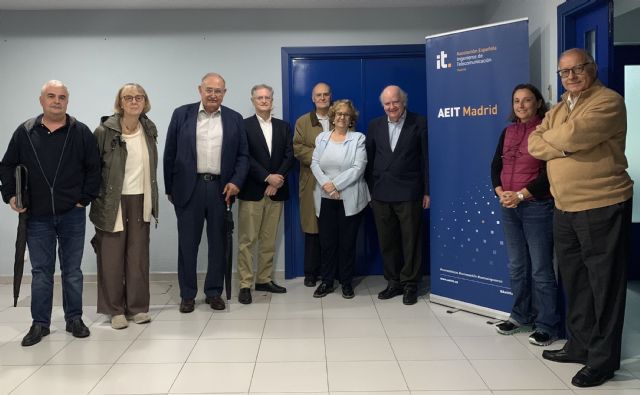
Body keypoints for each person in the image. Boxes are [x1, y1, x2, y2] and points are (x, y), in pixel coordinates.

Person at [529, 48, 632, 388]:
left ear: (593, 67)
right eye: (564, 72)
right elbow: (534, 143)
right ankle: (579, 345)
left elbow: (572, 137)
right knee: (575, 281)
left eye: (578, 69)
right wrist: (560, 142)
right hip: (565, 207)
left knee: (605, 286)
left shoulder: (608, 102)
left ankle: (602, 361)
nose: (570, 77)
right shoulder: (559, 108)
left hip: (601, 204)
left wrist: (558, 142)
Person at [0, 80, 101, 346]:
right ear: (41, 100)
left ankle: (74, 319)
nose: (57, 101)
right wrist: (10, 195)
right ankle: (40, 324)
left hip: (72, 214)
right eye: (51, 96)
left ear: (68, 101)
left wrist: (84, 199)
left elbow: (94, 169)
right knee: (42, 271)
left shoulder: (80, 132)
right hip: (37, 216)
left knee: (72, 271)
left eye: (62, 97)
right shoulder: (25, 132)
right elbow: (7, 165)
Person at [163, 72, 249, 312]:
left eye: (218, 91)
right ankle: (187, 294)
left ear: (224, 93)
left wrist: (236, 182)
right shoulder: (182, 114)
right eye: (209, 90)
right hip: (188, 189)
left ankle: (214, 292)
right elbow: (169, 153)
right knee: (187, 245)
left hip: (222, 190)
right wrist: (170, 188)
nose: (213, 95)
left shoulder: (234, 118)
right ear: (200, 90)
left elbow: (243, 155)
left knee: (218, 244)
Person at [490, 83, 561, 346]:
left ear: (538, 103)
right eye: (516, 101)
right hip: (509, 206)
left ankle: (547, 325)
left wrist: (521, 194)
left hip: (537, 207)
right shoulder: (508, 131)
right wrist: (500, 191)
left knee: (541, 269)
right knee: (517, 266)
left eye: (527, 100)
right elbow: (496, 164)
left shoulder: (546, 132)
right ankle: (520, 316)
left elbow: (549, 173)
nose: (521, 105)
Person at [89, 83, 158, 329]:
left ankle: (138, 308)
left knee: (138, 257)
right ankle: (115, 310)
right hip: (111, 201)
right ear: (120, 102)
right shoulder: (104, 131)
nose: (134, 101)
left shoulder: (149, 129)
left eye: (139, 97)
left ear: (145, 101)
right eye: (128, 97)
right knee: (111, 257)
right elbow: (93, 168)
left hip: (141, 199)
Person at [365, 85, 429, 305]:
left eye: (395, 102)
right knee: (387, 241)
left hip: (410, 192)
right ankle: (394, 282)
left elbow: (426, 160)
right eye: (387, 103)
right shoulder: (374, 125)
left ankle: (410, 284)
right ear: (383, 105)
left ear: (404, 102)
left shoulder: (419, 123)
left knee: (411, 241)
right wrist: (371, 191)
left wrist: (427, 191)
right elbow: (369, 160)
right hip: (381, 194)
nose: (391, 107)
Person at [237, 84, 294, 304]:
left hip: (276, 191)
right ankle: (245, 284)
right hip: (253, 190)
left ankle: (263, 279)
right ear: (252, 100)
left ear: (272, 100)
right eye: (259, 97)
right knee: (247, 240)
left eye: (267, 97)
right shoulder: (243, 126)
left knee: (269, 240)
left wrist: (277, 179)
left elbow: (290, 155)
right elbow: (244, 156)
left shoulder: (283, 126)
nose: (263, 101)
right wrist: (266, 178)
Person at [310, 99, 369, 298]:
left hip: (349, 198)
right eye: (339, 114)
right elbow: (315, 163)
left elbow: (358, 168)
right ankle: (327, 281)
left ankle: (346, 282)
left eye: (346, 114)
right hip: (325, 198)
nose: (342, 117)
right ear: (333, 117)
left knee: (347, 244)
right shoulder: (322, 138)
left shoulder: (358, 139)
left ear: (351, 118)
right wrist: (327, 185)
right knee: (327, 243)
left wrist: (335, 185)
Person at [293, 82, 332, 287]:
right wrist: (323, 158)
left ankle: (331, 273)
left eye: (326, 94)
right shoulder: (303, 122)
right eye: (319, 95)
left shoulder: (340, 118)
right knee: (312, 229)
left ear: (330, 96)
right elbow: (298, 148)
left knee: (333, 229)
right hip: (311, 182)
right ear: (313, 98)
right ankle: (311, 273)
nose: (322, 98)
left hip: (336, 183)